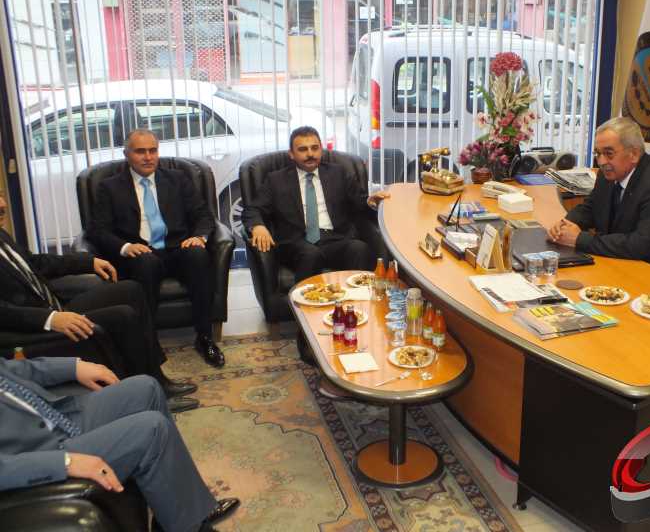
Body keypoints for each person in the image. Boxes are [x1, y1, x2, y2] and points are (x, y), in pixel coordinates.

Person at [0, 194, 197, 413]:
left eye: (0, 196)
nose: (3, 204)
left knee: (131, 289)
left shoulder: (2, 235)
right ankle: (148, 396)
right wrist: (50, 318)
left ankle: (156, 377)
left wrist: (88, 262)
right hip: (32, 329)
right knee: (122, 316)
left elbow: (36, 263)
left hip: (54, 308)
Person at [0, 356, 239, 532]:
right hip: (38, 452)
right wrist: (63, 462)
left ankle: (176, 513)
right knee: (152, 430)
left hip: (51, 416)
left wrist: (74, 366)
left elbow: (12, 369)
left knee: (145, 388)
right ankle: (192, 527)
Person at [87, 129, 225, 368]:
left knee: (198, 255)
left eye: (153, 150)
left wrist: (199, 237)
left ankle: (205, 337)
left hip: (177, 247)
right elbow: (97, 230)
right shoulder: (109, 187)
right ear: (127, 154)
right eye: (140, 151)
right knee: (146, 262)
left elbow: (203, 215)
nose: (148, 157)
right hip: (140, 253)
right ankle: (148, 342)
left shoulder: (178, 179)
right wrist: (125, 247)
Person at [547, 116, 650, 276]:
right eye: (598, 153)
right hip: (622, 264)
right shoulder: (608, 174)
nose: (601, 161)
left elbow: (639, 245)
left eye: (609, 153)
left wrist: (579, 239)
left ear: (634, 154)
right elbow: (590, 208)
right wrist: (564, 226)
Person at [242, 125, 390, 283]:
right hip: (297, 243)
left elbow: (359, 200)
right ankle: (303, 298)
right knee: (311, 254)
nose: (310, 154)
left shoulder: (338, 173)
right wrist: (258, 226)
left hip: (335, 239)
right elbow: (253, 209)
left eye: (314, 148)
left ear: (321, 149)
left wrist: (370, 201)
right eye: (302, 149)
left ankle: (357, 297)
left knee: (359, 249)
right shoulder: (276, 180)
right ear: (291, 154)